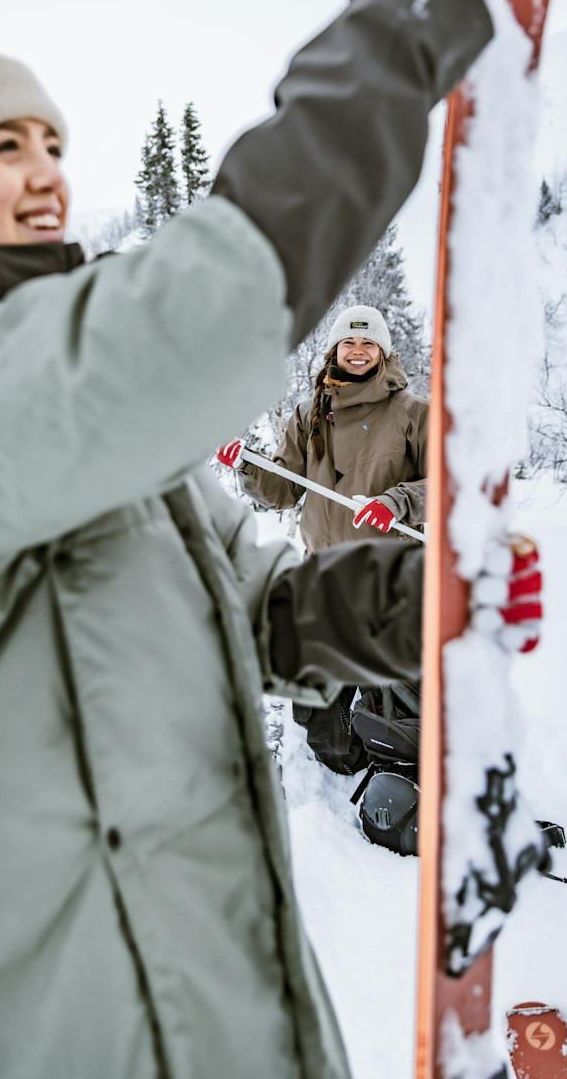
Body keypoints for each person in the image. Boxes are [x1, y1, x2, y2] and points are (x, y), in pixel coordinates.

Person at [0, 0, 542, 1079]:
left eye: (52, 144)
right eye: (3, 144)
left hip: (209, 1007)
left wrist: (409, 600)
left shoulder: (75, 396)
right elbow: (183, 325)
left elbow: (242, 606)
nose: (46, 173)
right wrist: (388, 52)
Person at [217, 302, 432, 778]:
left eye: (368, 342)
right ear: (335, 348)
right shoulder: (310, 413)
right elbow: (283, 489)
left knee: (396, 700)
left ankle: (403, 771)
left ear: (383, 350)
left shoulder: (413, 414)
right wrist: (248, 465)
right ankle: (345, 757)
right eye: (349, 342)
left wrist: (398, 502)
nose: (358, 351)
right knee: (321, 711)